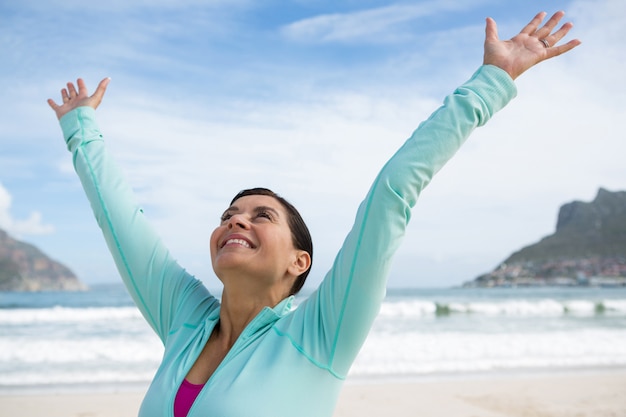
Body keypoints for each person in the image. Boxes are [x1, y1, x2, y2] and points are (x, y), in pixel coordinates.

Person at [48, 11, 579, 417]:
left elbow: (392, 194)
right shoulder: (185, 322)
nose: (237, 221)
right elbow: (123, 225)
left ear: (299, 262)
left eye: (262, 216)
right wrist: (82, 129)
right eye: (230, 213)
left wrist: (490, 83)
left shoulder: (320, 334)